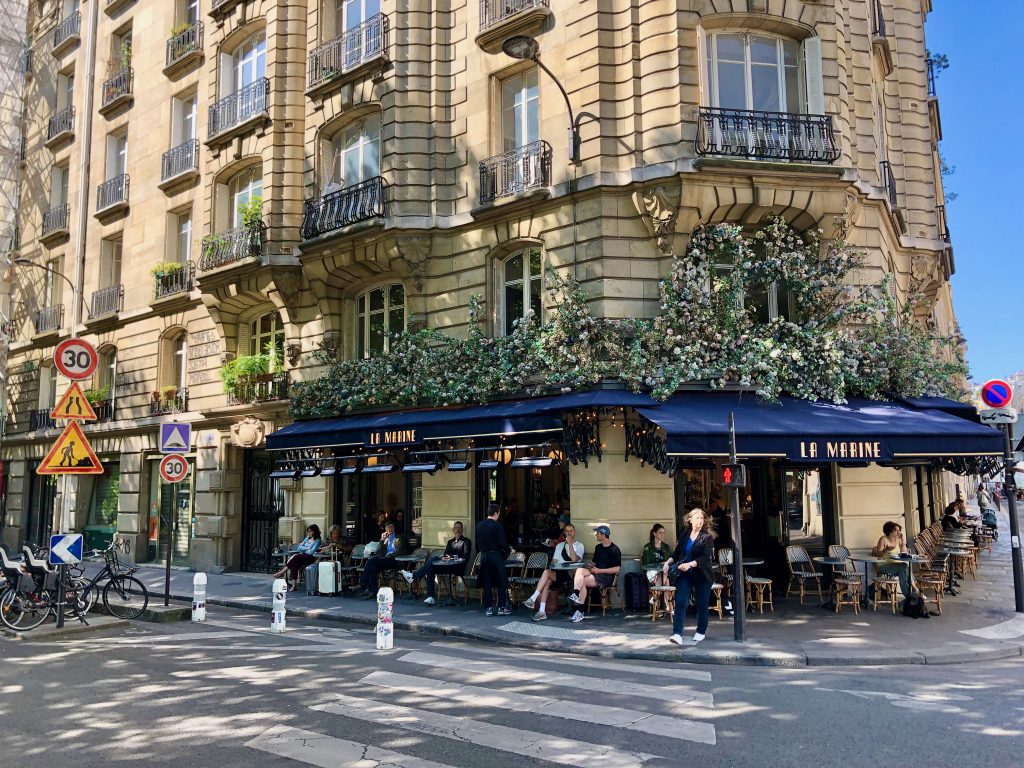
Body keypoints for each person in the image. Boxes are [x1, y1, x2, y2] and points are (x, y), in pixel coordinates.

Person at [665, 508, 716, 645]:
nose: (700, 521)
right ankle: (677, 634)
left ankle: (700, 631)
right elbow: (677, 552)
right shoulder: (685, 534)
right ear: (690, 519)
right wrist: (668, 562)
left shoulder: (707, 537)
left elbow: (706, 558)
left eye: (702, 518)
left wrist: (690, 564)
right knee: (681, 602)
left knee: (701, 604)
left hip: (702, 574)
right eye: (697, 518)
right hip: (685, 574)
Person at [524, 523, 585, 621]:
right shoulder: (560, 546)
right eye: (567, 531)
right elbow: (554, 561)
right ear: (564, 533)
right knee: (547, 577)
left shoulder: (579, 545)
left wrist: (570, 543)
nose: (569, 533)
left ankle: (534, 600)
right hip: (559, 572)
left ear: (574, 532)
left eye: (571, 531)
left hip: (570, 574)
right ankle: (541, 610)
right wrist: (554, 564)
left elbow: (574, 559)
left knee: (547, 575)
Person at [401, 521, 472, 605]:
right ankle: (430, 597)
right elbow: (446, 555)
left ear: (462, 529)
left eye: (460, 527)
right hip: (447, 566)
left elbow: (465, 557)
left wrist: (452, 557)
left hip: (458, 567)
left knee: (434, 558)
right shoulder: (450, 542)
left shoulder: (466, 541)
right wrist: (445, 557)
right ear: (453, 530)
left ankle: (415, 576)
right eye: (456, 527)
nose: (458, 529)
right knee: (431, 569)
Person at [566, 525, 621, 623]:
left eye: (597, 533)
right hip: (595, 572)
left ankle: (579, 610)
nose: (596, 535)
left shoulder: (614, 549)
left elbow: (617, 569)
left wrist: (599, 570)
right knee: (579, 570)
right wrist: (589, 565)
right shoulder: (598, 547)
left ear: (603, 535)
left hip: (606, 577)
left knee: (581, 581)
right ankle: (576, 595)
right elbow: (595, 563)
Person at [476, 502, 513, 616]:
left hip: (483, 556)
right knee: (501, 581)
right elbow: (502, 543)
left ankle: (488, 608)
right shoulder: (497, 526)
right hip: (495, 556)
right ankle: (502, 607)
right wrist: (509, 550)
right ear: (496, 513)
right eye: (499, 514)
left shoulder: (479, 525)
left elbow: (477, 545)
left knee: (487, 582)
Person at [272, 524, 322, 591]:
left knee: (296, 556)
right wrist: (308, 548)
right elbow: (299, 548)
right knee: (295, 565)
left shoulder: (317, 540)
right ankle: (294, 585)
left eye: (310, 531)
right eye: (308, 531)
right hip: (302, 556)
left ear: (314, 531)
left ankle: (282, 572)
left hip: (310, 558)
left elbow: (311, 552)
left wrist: (305, 549)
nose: (309, 533)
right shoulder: (307, 538)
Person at [358, 522, 401, 598]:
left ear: (394, 528)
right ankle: (373, 591)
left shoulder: (399, 537)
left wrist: (389, 555)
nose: (390, 529)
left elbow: (400, 551)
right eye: (388, 527)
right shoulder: (386, 539)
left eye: (391, 527)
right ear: (386, 529)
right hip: (384, 560)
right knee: (373, 568)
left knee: (371, 561)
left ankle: (362, 584)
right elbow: (379, 552)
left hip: (394, 560)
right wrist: (381, 540)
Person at [872, 520, 912, 598]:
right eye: (896, 530)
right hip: (883, 565)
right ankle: (911, 593)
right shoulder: (883, 539)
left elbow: (904, 554)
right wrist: (885, 550)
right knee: (904, 567)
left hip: (896, 565)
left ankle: (909, 594)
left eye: (899, 530)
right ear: (890, 531)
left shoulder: (898, 540)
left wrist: (903, 542)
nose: (898, 532)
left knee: (905, 568)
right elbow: (878, 554)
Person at [642, 523, 673, 588]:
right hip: (652, 571)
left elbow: (672, 559)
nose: (662, 535)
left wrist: (666, 564)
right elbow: (646, 564)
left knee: (665, 575)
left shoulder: (666, 547)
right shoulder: (648, 547)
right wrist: (658, 566)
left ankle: (659, 594)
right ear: (654, 533)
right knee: (663, 578)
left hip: (665, 571)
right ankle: (663, 595)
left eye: (663, 533)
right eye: (660, 533)